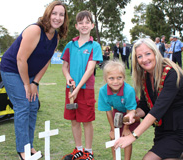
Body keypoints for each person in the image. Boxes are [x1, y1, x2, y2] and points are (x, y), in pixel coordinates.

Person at [0, 1, 68, 159]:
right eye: (54, 13)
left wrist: (35, 83)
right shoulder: (35, 30)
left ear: (65, 18)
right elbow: (21, 59)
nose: (57, 17)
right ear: (48, 14)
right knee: (23, 105)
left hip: (29, 73)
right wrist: (26, 85)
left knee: (33, 105)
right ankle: (22, 150)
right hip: (12, 69)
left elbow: (45, 62)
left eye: (61, 14)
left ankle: (28, 145)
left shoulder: (56, 37)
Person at [114, 38, 183, 160]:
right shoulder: (144, 76)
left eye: (148, 53)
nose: (144, 59)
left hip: (182, 127)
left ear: (155, 53)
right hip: (163, 128)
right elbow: (145, 106)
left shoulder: (172, 74)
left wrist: (133, 136)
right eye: (139, 56)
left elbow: (158, 109)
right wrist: (134, 113)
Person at [61, 10, 103, 160]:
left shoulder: (95, 46)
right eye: (80, 23)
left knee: (86, 120)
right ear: (76, 26)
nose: (84, 25)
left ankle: (88, 151)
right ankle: (78, 149)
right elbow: (64, 67)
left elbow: (90, 69)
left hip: (85, 89)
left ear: (92, 25)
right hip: (70, 89)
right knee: (74, 120)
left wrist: (78, 88)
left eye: (87, 22)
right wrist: (68, 78)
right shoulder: (70, 45)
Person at [98, 60, 140, 160]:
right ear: (105, 79)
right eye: (111, 78)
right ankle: (115, 158)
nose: (115, 82)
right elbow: (108, 111)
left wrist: (126, 129)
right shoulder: (103, 91)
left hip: (132, 111)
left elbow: (130, 111)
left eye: (119, 78)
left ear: (124, 78)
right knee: (114, 136)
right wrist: (112, 129)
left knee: (126, 136)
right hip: (117, 111)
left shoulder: (129, 90)